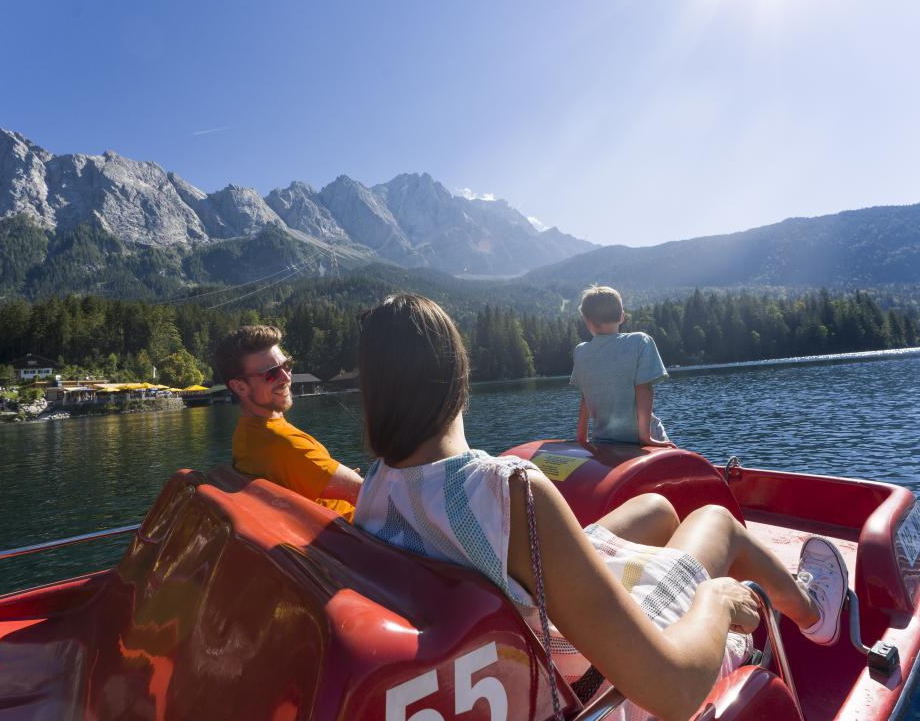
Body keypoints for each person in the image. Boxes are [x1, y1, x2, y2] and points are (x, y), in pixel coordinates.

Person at [353, 293, 848, 721]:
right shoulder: (508, 489)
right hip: (600, 689)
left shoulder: (374, 491)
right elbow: (671, 691)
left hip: (510, 634)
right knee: (715, 521)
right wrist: (716, 600)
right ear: (458, 379)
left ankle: (758, 596)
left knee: (653, 508)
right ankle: (814, 614)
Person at [214, 325, 361, 520]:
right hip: (365, 535)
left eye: (287, 365)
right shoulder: (284, 445)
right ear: (240, 387)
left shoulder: (247, 436)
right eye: (271, 373)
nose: (286, 377)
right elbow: (368, 494)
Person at [572, 285, 672, 447]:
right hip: (641, 435)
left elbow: (586, 396)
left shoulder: (581, 352)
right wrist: (645, 437)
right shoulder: (640, 341)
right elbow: (644, 389)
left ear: (587, 321)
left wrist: (581, 438)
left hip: (604, 440)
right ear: (622, 316)